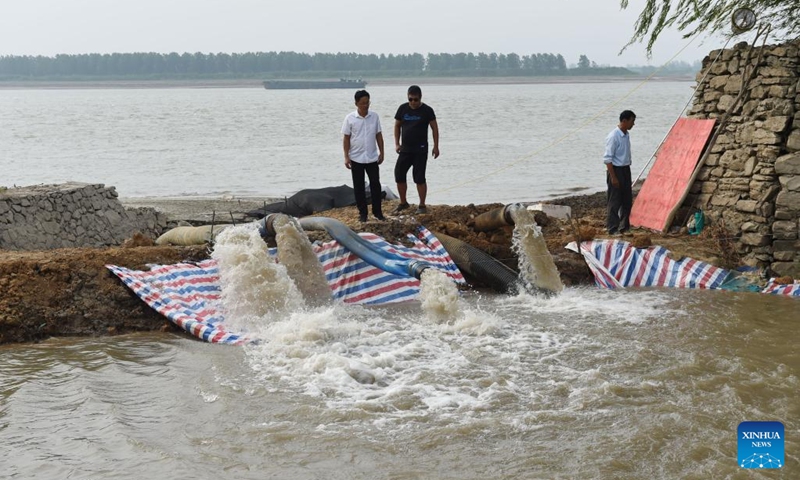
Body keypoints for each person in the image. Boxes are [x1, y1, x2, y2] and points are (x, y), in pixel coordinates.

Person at [392, 85, 439, 215]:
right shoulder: (403, 109)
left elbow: (434, 128)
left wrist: (436, 146)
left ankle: (422, 205)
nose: (413, 102)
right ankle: (403, 203)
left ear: (420, 98)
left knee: (419, 178)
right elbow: (397, 126)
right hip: (405, 149)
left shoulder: (427, 110)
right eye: (410, 99)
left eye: (415, 100)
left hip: (420, 149)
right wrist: (397, 143)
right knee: (399, 174)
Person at [342, 90, 385, 222]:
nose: (365, 106)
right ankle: (363, 213)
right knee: (359, 186)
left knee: (375, 184)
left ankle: (377, 212)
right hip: (356, 157)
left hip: (371, 157)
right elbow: (346, 138)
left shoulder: (374, 116)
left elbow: (378, 135)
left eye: (367, 103)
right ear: (356, 103)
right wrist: (346, 156)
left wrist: (382, 152)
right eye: (362, 103)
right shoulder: (350, 118)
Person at [603, 110, 636, 235]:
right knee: (615, 200)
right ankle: (612, 228)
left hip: (625, 169)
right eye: (632, 121)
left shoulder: (626, 134)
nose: (633, 124)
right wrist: (613, 177)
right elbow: (607, 159)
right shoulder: (613, 136)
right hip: (615, 170)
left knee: (627, 199)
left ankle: (624, 227)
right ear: (624, 121)